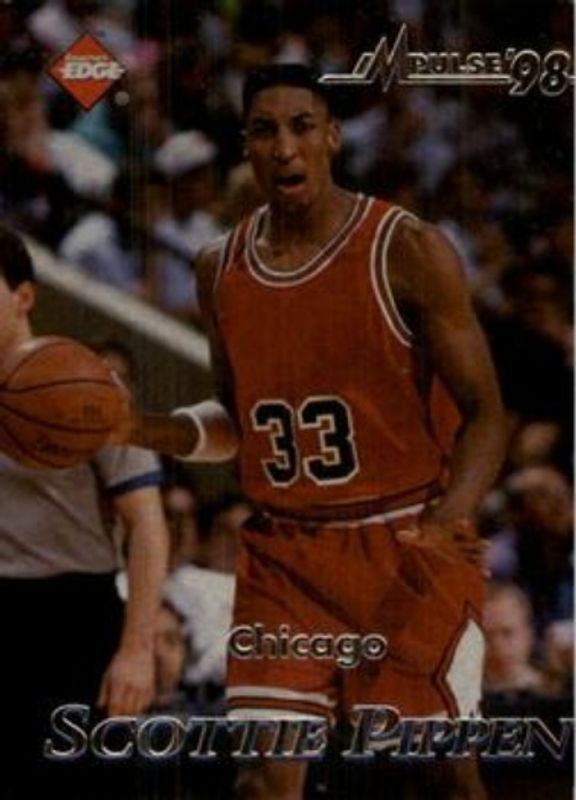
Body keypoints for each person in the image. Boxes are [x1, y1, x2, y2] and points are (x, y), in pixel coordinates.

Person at [116, 65, 507, 799]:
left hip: (403, 537)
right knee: (266, 779)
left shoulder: (406, 247)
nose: (285, 147)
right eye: (264, 131)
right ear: (246, 147)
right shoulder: (219, 269)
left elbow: (487, 413)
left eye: (302, 126)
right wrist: (142, 426)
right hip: (287, 553)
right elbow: (241, 423)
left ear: (332, 137)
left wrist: (450, 520)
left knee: (443, 776)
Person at [0, 224, 169, 799]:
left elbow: (147, 522)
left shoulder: (89, 385)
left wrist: (137, 650)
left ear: (24, 296)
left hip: (74, 614)